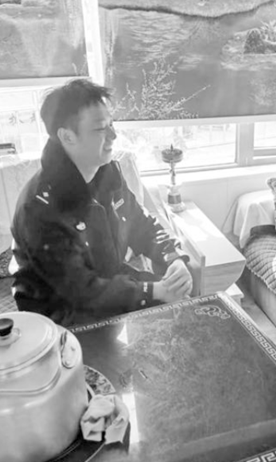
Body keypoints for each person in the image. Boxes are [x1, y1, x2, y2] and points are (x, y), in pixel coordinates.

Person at [10, 79, 193, 325]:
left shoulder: (106, 172)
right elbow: (79, 290)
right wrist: (152, 292)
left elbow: (141, 225)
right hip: (60, 313)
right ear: (67, 137)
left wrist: (173, 258)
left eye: (111, 124)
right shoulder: (39, 209)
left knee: (188, 307)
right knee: (171, 312)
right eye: (100, 129)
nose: (113, 135)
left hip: (109, 286)